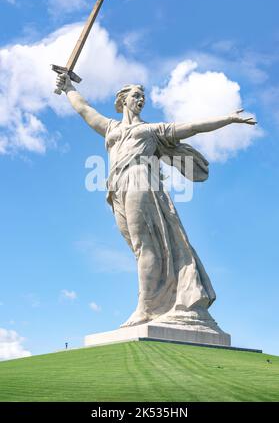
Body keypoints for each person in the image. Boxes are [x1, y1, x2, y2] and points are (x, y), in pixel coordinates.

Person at [55, 74, 257, 328]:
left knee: (144, 246)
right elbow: (84, 109)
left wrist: (228, 118)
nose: (141, 100)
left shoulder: (150, 131)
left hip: (140, 181)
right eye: (136, 96)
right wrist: (68, 88)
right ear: (122, 100)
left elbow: (192, 127)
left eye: (143, 97)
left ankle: (146, 308)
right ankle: (157, 302)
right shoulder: (111, 128)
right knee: (139, 249)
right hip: (116, 190)